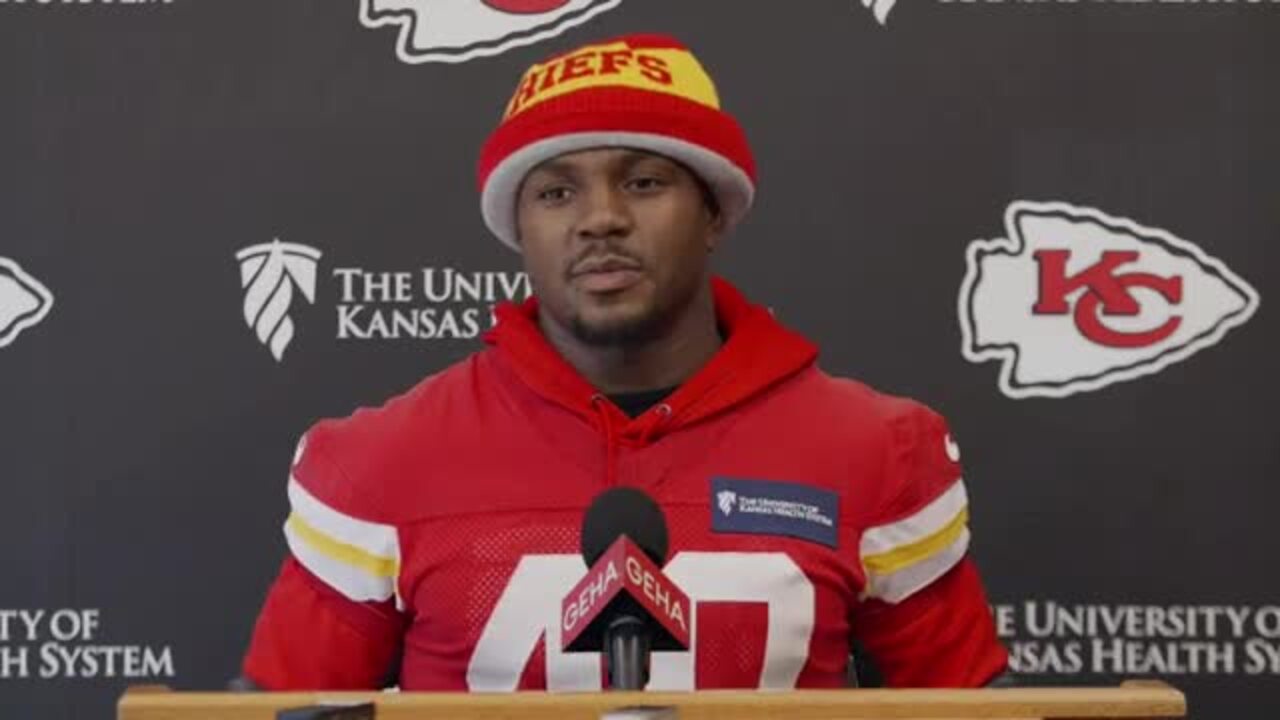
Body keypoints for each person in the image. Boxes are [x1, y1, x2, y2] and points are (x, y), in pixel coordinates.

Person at [239, 33, 1009, 691]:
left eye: (644, 182)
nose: (600, 219)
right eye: (555, 192)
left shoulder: (874, 448)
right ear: (519, 227)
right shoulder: (381, 461)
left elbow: (975, 709)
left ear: (713, 211)